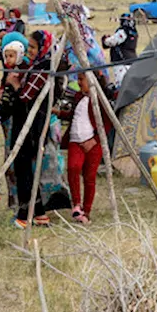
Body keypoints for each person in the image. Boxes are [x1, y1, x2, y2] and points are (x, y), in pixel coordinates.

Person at [0, 31, 54, 228]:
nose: (30, 51)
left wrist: (14, 84)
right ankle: (39, 214)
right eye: (28, 47)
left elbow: (25, 96)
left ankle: (23, 215)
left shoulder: (42, 70)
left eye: (33, 47)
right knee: (24, 169)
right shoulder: (33, 67)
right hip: (25, 124)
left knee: (24, 171)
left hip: (32, 127)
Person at [65, 82, 104, 223]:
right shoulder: (78, 96)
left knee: (89, 177)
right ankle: (76, 204)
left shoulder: (99, 99)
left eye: (82, 79)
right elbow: (73, 116)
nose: (79, 83)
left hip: (93, 143)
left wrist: (94, 140)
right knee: (73, 168)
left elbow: (107, 122)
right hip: (76, 140)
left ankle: (86, 212)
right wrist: (59, 113)